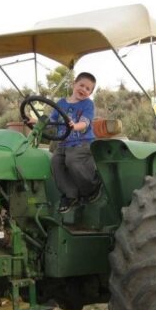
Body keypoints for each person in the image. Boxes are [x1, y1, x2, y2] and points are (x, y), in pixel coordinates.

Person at [50, 72, 102, 213]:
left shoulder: (88, 104)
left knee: (72, 160)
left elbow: (85, 122)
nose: (83, 90)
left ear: (90, 93)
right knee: (55, 161)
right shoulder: (61, 103)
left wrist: (75, 125)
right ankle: (70, 195)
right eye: (82, 85)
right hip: (64, 144)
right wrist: (37, 122)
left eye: (88, 89)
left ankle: (91, 188)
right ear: (74, 84)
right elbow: (52, 120)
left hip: (83, 143)